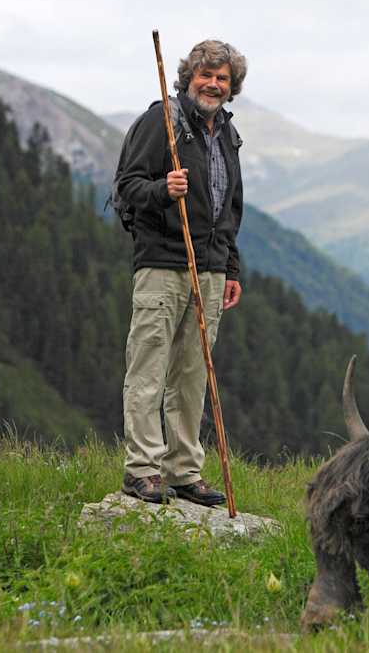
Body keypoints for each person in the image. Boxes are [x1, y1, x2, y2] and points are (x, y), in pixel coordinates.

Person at [111, 40, 246, 506]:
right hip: (163, 264)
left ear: (232, 88)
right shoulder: (162, 122)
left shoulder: (227, 134)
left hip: (208, 269)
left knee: (193, 374)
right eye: (205, 74)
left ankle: (184, 471)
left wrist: (230, 268)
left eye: (222, 78)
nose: (213, 84)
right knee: (149, 367)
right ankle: (142, 470)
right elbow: (127, 188)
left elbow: (230, 209)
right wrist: (163, 190)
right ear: (188, 77)